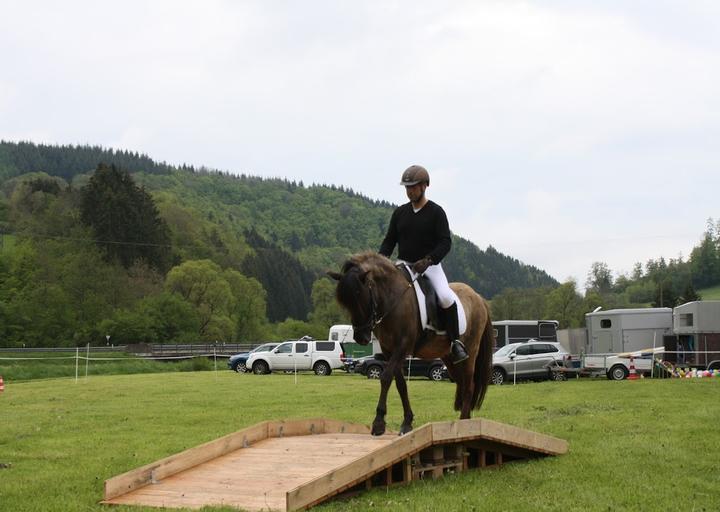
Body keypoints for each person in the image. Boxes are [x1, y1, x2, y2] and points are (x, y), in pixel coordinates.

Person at [379, 164, 469, 364]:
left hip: (430, 266)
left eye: (413, 187)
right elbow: (389, 241)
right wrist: (380, 261)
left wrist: (429, 260)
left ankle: (455, 342)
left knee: (445, 296)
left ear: (424, 186)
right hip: (404, 264)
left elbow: (445, 242)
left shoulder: (436, 212)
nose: (409, 191)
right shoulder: (400, 213)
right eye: (407, 187)